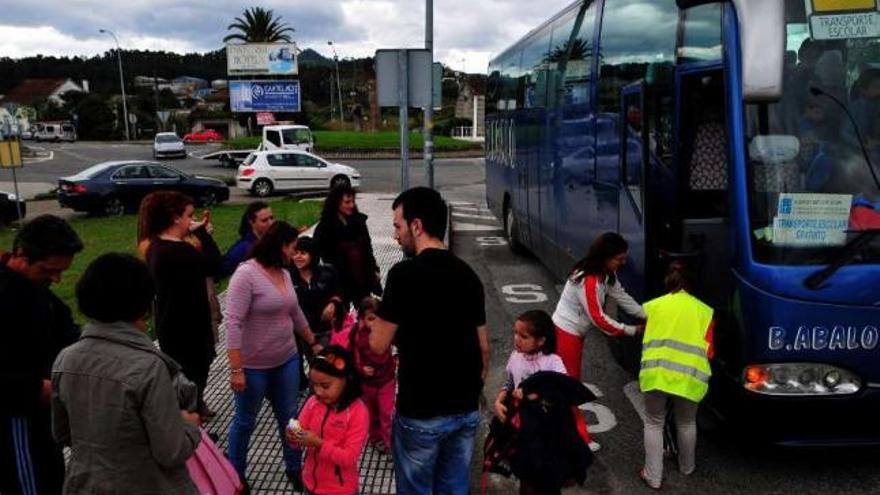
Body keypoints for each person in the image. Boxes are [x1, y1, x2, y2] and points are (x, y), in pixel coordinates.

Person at [369, 187, 490, 495]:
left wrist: (376, 316)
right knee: (453, 488)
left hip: (421, 413)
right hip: (465, 410)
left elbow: (378, 345)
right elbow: (483, 348)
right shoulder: (468, 275)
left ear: (417, 225)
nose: (396, 235)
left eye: (398, 226)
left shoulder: (403, 275)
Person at [51, 253, 202, 494]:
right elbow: (171, 451)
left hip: (85, 485)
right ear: (144, 302)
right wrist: (189, 425)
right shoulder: (148, 367)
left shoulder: (66, 358)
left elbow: (62, 433)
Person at [224, 221, 323, 490]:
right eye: (292, 247)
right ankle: (235, 475)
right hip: (253, 365)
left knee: (289, 417)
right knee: (245, 421)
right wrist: (236, 369)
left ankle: (294, 468)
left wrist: (313, 342)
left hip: (287, 359)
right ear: (279, 246)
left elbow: (294, 312)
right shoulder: (246, 275)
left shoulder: (284, 272)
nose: (295, 253)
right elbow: (233, 323)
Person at [0, 215, 83, 495]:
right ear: (22, 255)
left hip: (44, 417)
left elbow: (70, 335)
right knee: (31, 485)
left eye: (61, 271)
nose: (57, 279)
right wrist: (39, 388)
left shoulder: (39, 292)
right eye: (49, 270)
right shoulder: (6, 296)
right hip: (17, 421)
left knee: (51, 478)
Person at [551, 232, 646, 446]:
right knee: (570, 387)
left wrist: (647, 314)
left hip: (572, 333)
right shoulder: (590, 279)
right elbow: (599, 319)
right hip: (566, 334)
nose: (622, 263)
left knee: (564, 386)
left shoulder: (604, 274)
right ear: (605, 256)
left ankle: (561, 429)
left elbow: (622, 296)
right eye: (619, 259)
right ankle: (578, 437)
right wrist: (632, 330)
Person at [142, 191, 222, 419]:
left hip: (171, 325)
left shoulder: (156, 246)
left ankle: (193, 417)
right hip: (188, 329)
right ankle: (193, 432)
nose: (192, 220)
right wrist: (203, 235)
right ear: (175, 218)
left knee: (186, 379)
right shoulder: (178, 251)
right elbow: (216, 266)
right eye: (189, 215)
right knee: (192, 380)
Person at [639, 261, 714, 490]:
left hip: (656, 374)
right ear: (692, 283)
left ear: (667, 281)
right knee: (686, 422)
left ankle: (652, 476)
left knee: (653, 423)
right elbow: (710, 351)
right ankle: (687, 467)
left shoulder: (651, 307)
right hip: (690, 377)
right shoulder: (705, 311)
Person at [286, 346, 368, 495]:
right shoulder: (313, 403)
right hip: (310, 484)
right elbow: (300, 433)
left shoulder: (358, 412)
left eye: (325, 386)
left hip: (341, 490)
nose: (318, 391)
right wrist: (293, 437)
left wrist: (319, 444)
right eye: (314, 385)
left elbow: (349, 458)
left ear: (346, 380)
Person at [494, 310, 567, 424]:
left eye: (524, 336)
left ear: (541, 341)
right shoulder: (515, 355)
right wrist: (498, 401)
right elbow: (510, 382)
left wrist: (535, 395)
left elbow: (563, 389)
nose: (517, 339)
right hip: (518, 418)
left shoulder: (553, 362)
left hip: (543, 423)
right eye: (516, 333)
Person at [313, 185, 382, 305]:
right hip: (339, 281)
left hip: (361, 278)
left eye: (353, 201)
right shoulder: (325, 227)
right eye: (347, 202)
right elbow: (316, 253)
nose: (351, 205)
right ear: (336, 203)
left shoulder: (359, 223)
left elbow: (367, 249)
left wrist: (374, 270)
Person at [351, 296, 395, 454]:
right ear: (362, 318)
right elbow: (354, 355)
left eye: (376, 318)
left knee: (387, 413)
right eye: (369, 319)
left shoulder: (387, 329)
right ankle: (376, 438)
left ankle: (390, 443)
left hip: (387, 379)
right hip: (367, 383)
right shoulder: (357, 333)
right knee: (372, 413)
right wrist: (361, 368)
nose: (373, 323)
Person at [290, 235, 343, 346]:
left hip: (325, 331)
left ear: (312, 255)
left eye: (303, 253)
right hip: (298, 334)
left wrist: (333, 303)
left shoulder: (327, 272)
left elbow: (340, 291)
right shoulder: (287, 277)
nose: (298, 257)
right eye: (295, 253)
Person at [220, 201, 275, 277]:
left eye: (272, 218)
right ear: (251, 222)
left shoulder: (272, 241)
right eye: (264, 220)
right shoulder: (243, 250)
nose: (271, 223)